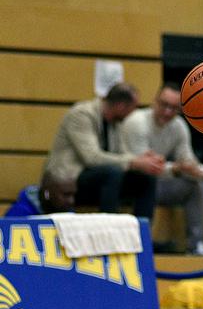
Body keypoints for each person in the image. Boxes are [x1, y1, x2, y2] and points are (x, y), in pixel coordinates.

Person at [122, 82, 203, 254]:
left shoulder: (178, 126)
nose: (168, 112)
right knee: (148, 181)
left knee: (194, 186)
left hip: (159, 183)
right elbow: (144, 166)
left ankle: (196, 246)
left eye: (174, 108)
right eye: (164, 105)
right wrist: (176, 169)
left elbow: (188, 162)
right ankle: (141, 246)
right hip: (131, 183)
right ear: (154, 101)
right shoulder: (136, 122)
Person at [44, 82, 164, 219]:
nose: (133, 113)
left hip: (99, 180)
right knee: (112, 173)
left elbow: (121, 155)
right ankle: (109, 229)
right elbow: (91, 158)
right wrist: (134, 161)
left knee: (146, 178)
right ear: (121, 106)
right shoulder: (82, 114)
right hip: (67, 182)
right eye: (133, 108)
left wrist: (142, 159)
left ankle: (143, 233)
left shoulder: (115, 122)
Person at [4, 170, 76, 216]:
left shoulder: (68, 212)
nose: (71, 200)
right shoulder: (19, 213)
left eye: (73, 194)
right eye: (66, 195)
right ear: (48, 192)